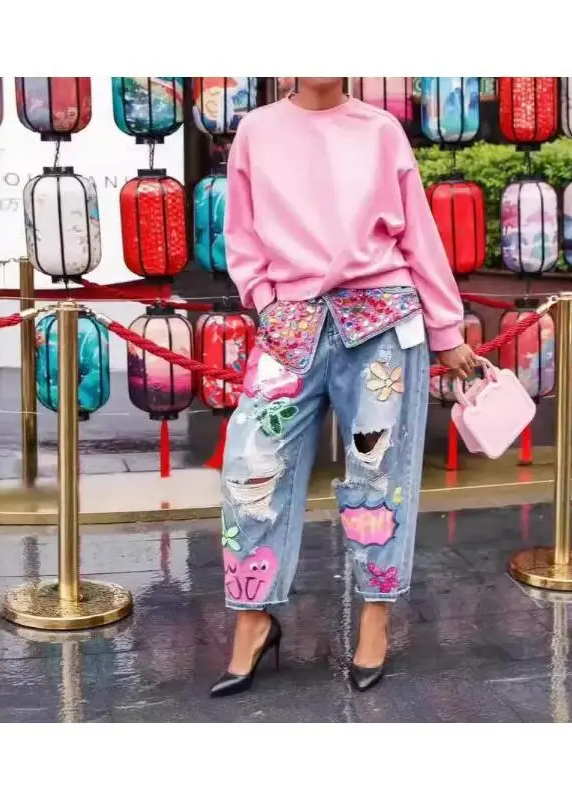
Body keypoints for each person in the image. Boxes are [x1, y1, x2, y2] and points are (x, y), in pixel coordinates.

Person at [211, 78, 476, 697]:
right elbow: (241, 232)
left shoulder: (380, 130)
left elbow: (417, 234)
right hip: (289, 321)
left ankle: (375, 618)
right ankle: (253, 617)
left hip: (381, 320)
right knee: (250, 466)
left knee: (377, 475)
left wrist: (446, 327)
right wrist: (264, 301)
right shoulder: (256, 130)